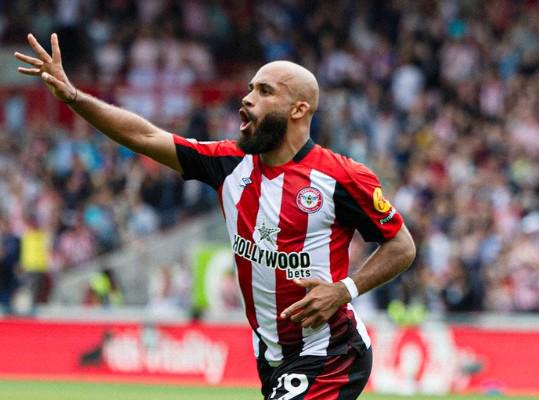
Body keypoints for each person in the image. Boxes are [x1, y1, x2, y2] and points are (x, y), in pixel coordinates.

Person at [15, 33, 416, 399]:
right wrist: (74, 97)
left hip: (330, 352)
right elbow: (144, 136)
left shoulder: (339, 176)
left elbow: (401, 245)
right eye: (250, 88)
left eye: (264, 91)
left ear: (298, 109)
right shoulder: (227, 163)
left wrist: (344, 289)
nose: (248, 98)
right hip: (272, 355)